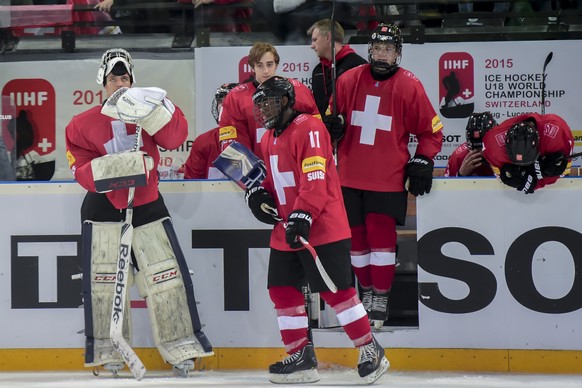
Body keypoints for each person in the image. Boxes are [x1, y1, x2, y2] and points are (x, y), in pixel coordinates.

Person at [65, 48, 213, 376]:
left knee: (166, 278)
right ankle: (108, 349)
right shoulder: (81, 124)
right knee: (103, 281)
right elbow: (80, 169)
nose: (119, 83)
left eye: (124, 77)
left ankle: (181, 347)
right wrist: (118, 170)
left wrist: (163, 110)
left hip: (146, 203)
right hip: (102, 207)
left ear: (132, 80)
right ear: (101, 83)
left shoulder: (148, 111)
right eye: (112, 78)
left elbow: (176, 138)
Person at [247, 75, 389, 385]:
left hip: (321, 226)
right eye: (260, 105)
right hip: (287, 227)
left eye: (268, 103)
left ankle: (370, 349)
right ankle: (300, 356)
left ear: (286, 101)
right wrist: (259, 194)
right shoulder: (268, 138)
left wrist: (303, 214)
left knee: (335, 291)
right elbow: (276, 180)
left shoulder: (309, 128)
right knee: (281, 290)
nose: (263, 111)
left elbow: (315, 179)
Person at [323, 23, 443, 329]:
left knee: (381, 240)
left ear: (398, 54)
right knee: (356, 242)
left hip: (387, 178)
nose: (381, 55)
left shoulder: (409, 85)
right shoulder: (348, 80)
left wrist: (422, 159)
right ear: (369, 50)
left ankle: (380, 297)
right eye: (377, 49)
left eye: (388, 49)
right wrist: (331, 127)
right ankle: (366, 292)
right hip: (348, 177)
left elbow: (431, 133)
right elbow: (325, 122)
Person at [218, 41, 319, 161]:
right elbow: (234, 145)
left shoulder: (298, 90)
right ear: (252, 67)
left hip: (293, 164)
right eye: (260, 65)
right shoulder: (235, 97)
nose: (265, 71)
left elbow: (315, 130)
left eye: (269, 64)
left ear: (277, 65)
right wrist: (252, 173)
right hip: (259, 172)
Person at [482, 113, 574, 194]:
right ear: (506, 145)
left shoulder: (557, 133)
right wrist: (537, 175)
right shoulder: (493, 145)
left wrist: (542, 178)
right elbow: (501, 176)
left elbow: (564, 170)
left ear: (538, 142)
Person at [307, 19, 367, 117]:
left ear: (328, 37)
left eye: (315, 40)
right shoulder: (317, 70)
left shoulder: (358, 66)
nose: (312, 46)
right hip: (323, 131)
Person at [184, 82, 238, 179]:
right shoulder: (203, 142)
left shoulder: (256, 138)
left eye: (228, 101)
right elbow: (191, 185)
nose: (222, 106)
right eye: (220, 101)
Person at [445, 112, 497, 177]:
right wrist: (460, 175)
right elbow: (448, 185)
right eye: (476, 148)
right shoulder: (458, 157)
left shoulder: (506, 150)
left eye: (483, 147)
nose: (480, 152)